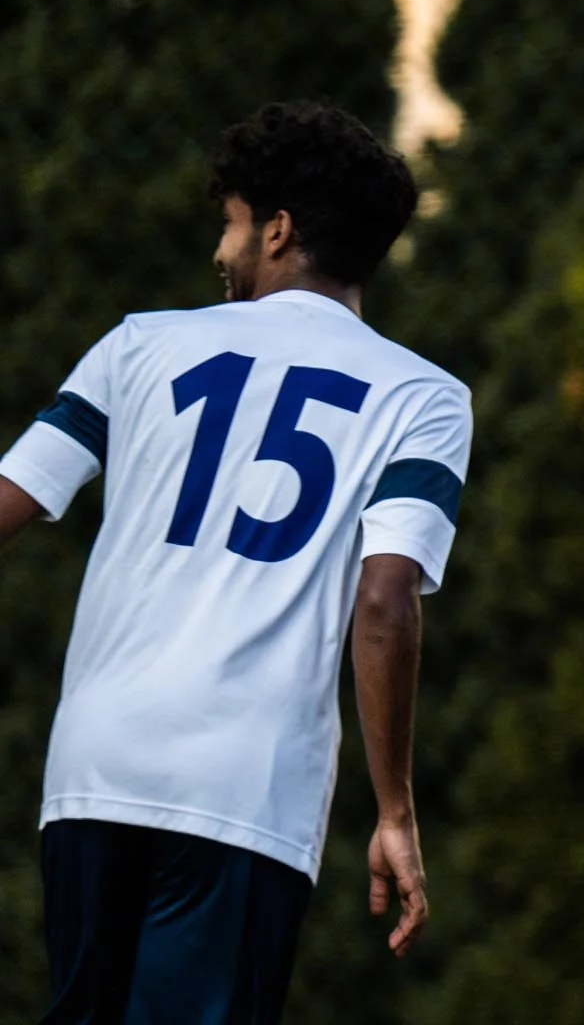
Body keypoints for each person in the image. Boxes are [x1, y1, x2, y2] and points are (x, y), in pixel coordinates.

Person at [0, 102, 466, 1024]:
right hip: (245, 792)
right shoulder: (424, 397)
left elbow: (10, 503)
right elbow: (384, 603)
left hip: (95, 768)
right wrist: (395, 811)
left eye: (232, 222)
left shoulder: (137, 344)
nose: (223, 248)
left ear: (278, 230)